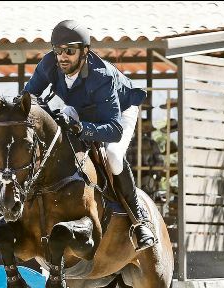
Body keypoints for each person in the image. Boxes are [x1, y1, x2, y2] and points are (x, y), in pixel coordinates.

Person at [22, 19, 156, 250]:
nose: (63, 57)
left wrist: (81, 128)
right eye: (58, 51)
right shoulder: (48, 65)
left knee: (113, 155)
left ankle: (139, 220)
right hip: (81, 107)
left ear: (84, 51)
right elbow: (28, 97)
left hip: (119, 114)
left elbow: (113, 130)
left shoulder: (101, 76)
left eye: (70, 51)